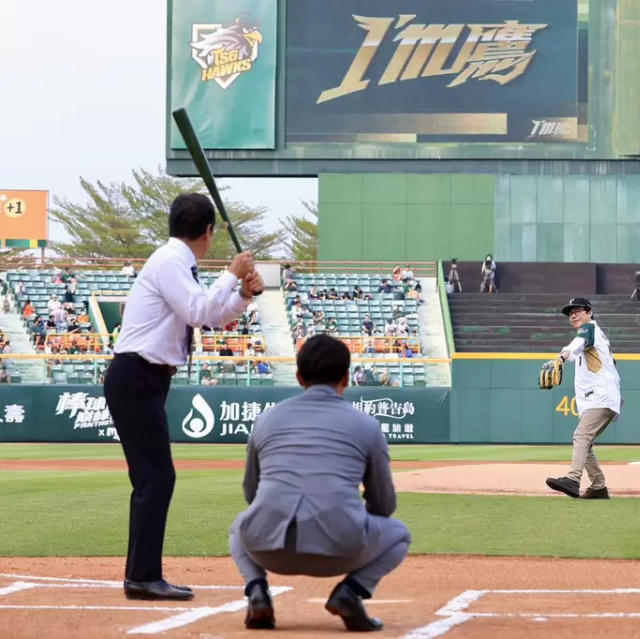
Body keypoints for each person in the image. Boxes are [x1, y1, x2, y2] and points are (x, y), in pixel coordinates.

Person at [104, 192, 262, 600]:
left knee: (152, 477)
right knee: (156, 477)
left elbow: (210, 316)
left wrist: (243, 295)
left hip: (146, 377)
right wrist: (231, 274)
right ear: (208, 233)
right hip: (136, 373)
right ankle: (141, 576)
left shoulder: (178, 262)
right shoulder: (171, 260)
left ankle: (141, 574)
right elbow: (197, 312)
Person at [229, 335, 410, 631]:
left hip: (268, 550)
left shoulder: (265, 419)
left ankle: (257, 592)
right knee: (399, 534)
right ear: (347, 377)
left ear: (299, 377)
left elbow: (251, 494)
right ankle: (350, 593)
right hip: (340, 552)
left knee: (240, 525)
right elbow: (384, 505)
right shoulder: (367, 425)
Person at [545, 298, 622, 500]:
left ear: (589, 312)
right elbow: (606, 362)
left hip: (600, 397)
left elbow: (576, 345)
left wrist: (559, 358)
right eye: (570, 313)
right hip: (603, 397)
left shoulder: (589, 329)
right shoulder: (595, 336)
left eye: (578, 310)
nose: (574, 315)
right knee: (585, 442)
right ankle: (598, 487)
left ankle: (573, 479)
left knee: (581, 437)